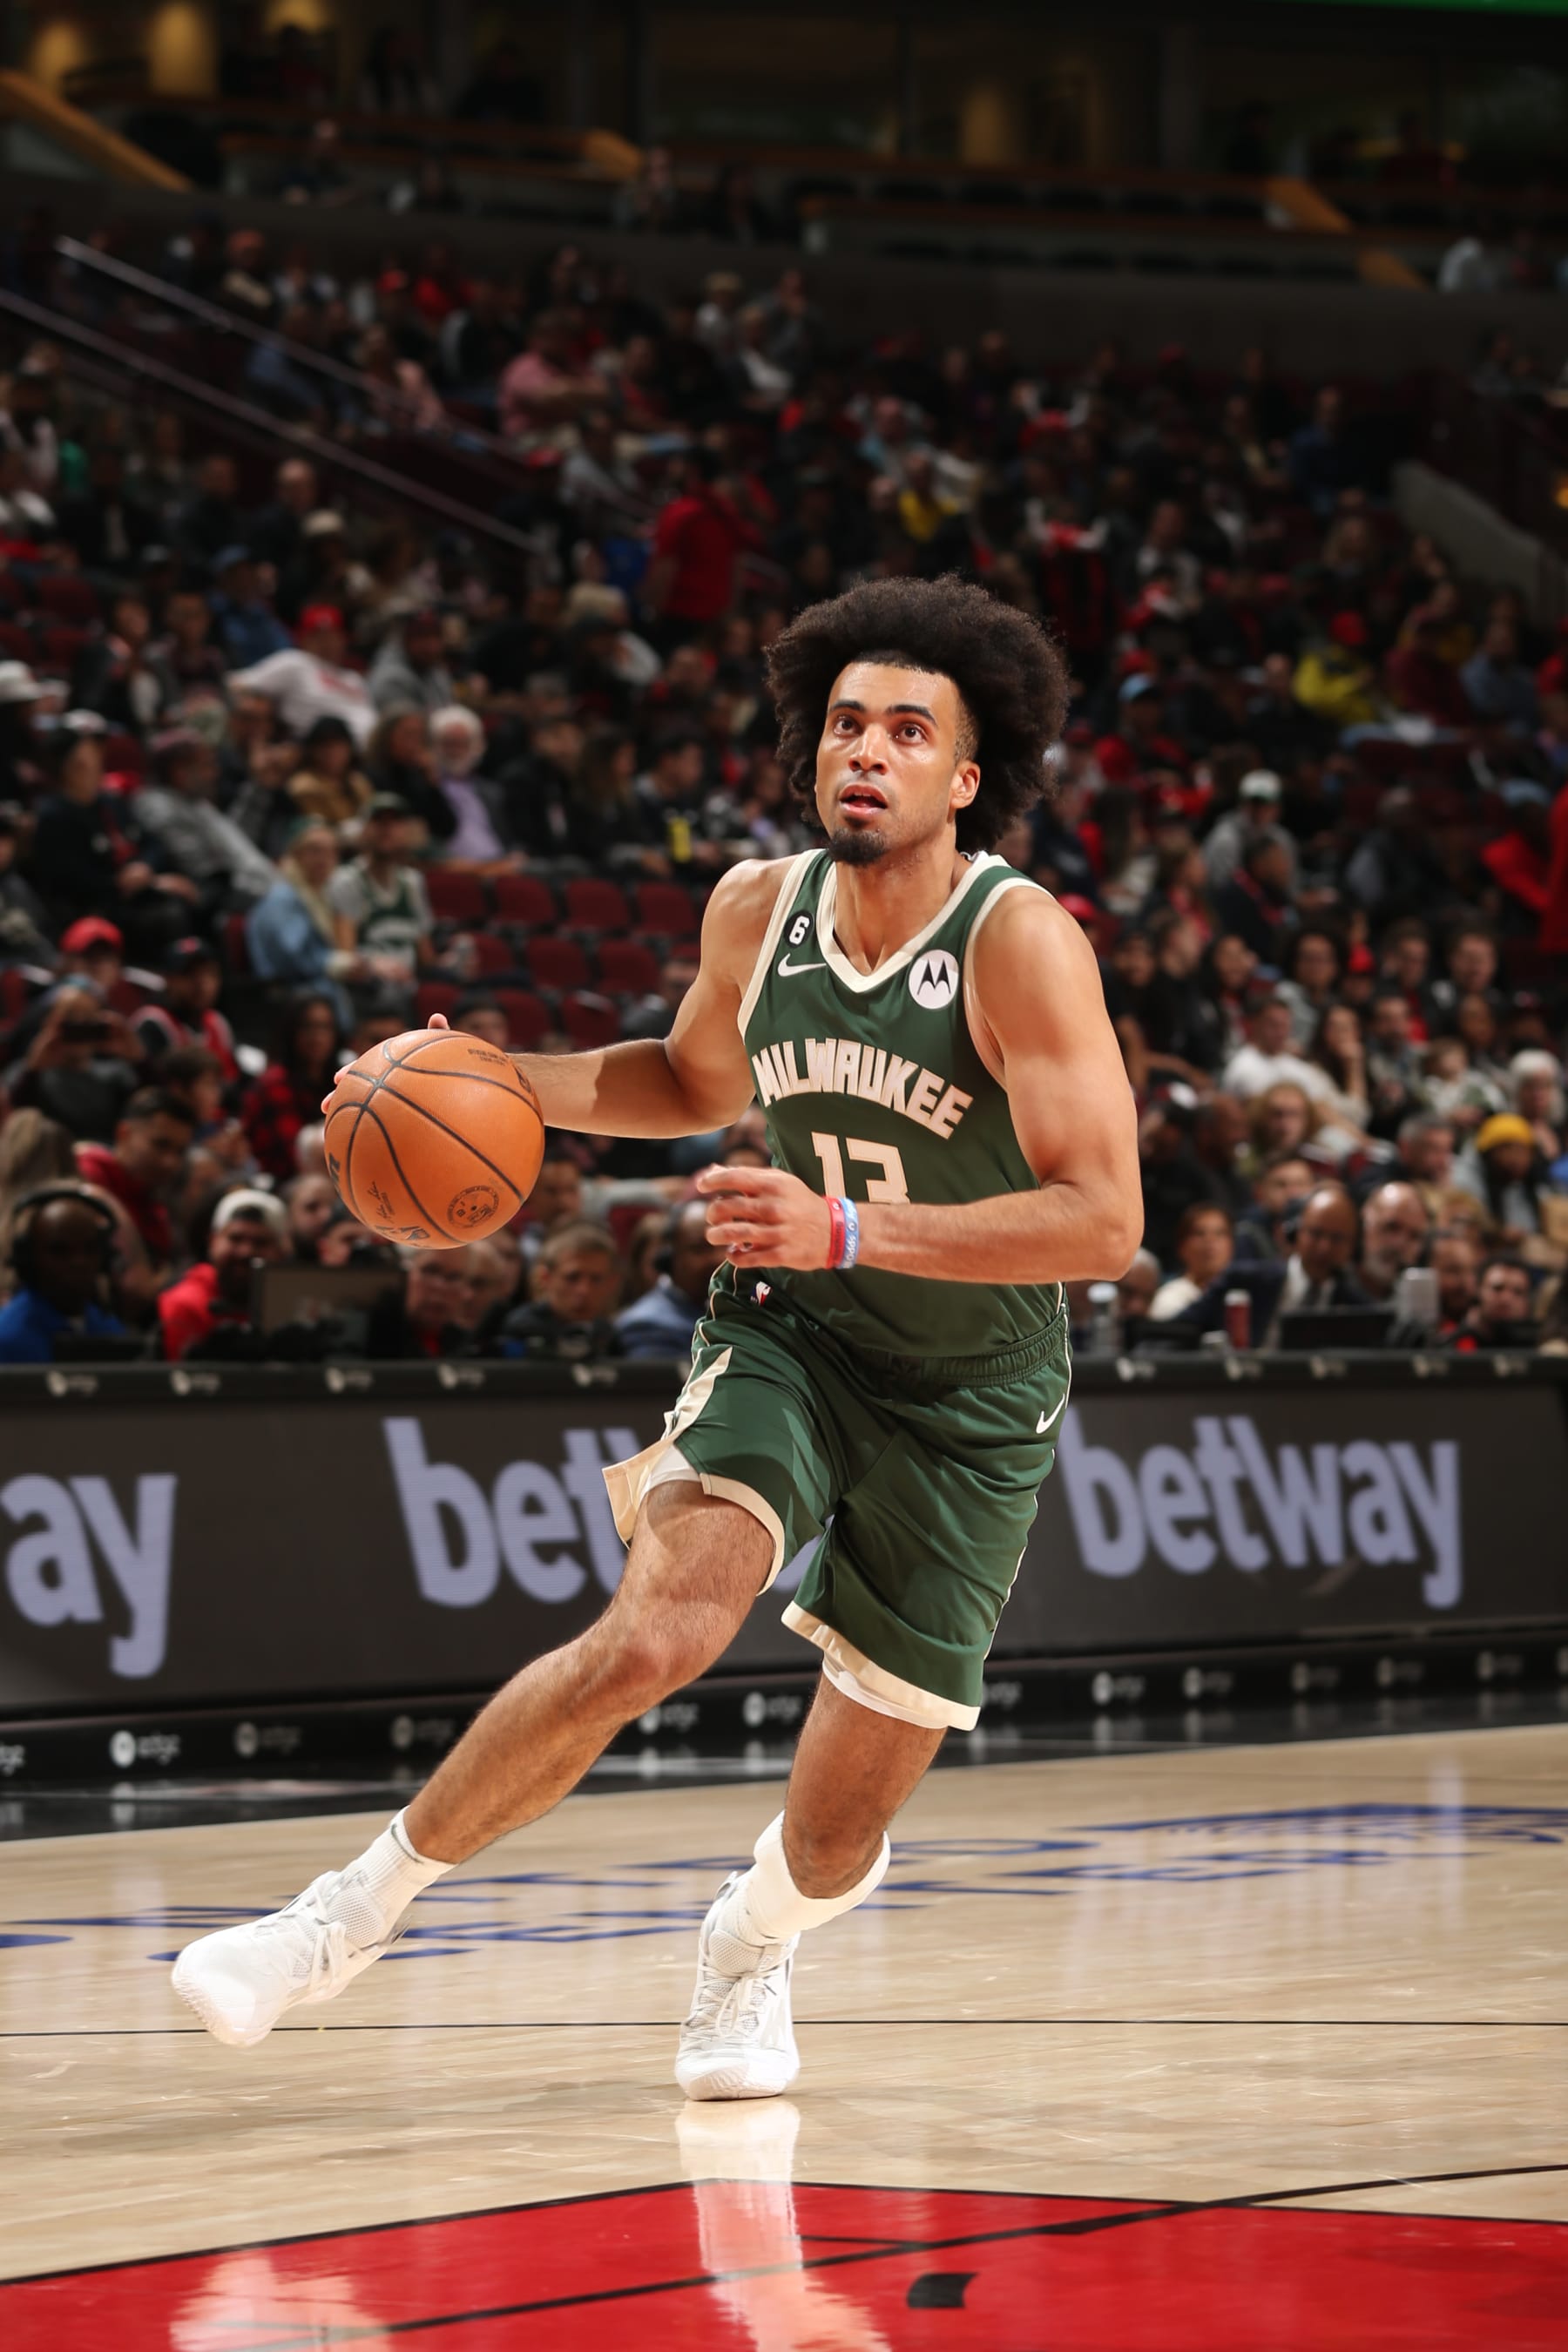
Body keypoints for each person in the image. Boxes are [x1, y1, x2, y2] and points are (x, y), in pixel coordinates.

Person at [171, 572, 1140, 2106]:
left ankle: (752, 1943)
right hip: (791, 1333)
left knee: (835, 1839)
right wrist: (473, 1071)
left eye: (905, 730)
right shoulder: (760, 909)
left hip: (972, 1391)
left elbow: (1103, 1222)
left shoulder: (1021, 943)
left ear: (968, 777)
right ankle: (334, 1923)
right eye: (842, 725)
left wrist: (848, 1226)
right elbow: (689, 1084)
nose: (863, 753)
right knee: (661, 1632)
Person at [1173, 1182, 1369, 1346]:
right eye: (1316, 1233)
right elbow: (1174, 1332)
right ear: (1295, 1233)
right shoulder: (1242, 1281)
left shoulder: (1358, 1308)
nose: (1323, 1248)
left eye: (1336, 1238)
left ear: (1353, 1246)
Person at [158, 1187, 289, 1359]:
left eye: (261, 1242)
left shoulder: (292, 1305)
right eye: (235, 1238)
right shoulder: (185, 1304)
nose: (246, 1252)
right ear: (212, 1240)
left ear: (281, 1251)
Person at [75, 1086, 196, 1274]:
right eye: (160, 1145)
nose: (170, 1162)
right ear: (124, 1134)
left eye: (180, 1152)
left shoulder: (157, 1206)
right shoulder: (87, 1174)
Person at [0, 1185, 126, 1363]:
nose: (79, 1262)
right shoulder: (8, 1339)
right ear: (28, 1260)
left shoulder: (109, 1328)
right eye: (60, 1251)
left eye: (89, 1249)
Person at [498, 1220, 626, 1361]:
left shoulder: (608, 1334)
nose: (584, 1290)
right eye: (572, 1278)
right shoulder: (521, 1330)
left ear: (612, 1283)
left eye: (596, 1279)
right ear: (545, 1278)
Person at [612, 1199, 724, 1358]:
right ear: (670, 1257)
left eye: (726, 1246)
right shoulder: (648, 1326)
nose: (718, 1259)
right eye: (700, 1248)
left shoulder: (742, 1308)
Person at [1149, 1202, 1233, 1321]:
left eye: (1220, 1233)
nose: (1210, 1242)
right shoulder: (1169, 1299)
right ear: (1181, 1246)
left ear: (1232, 1245)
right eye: (1200, 1234)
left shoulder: (1242, 1298)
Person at [1451, 1254, 1537, 1351]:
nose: (1506, 1299)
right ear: (1478, 1290)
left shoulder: (1538, 1347)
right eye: (1497, 1288)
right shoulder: (1453, 1344)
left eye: (1518, 1292)